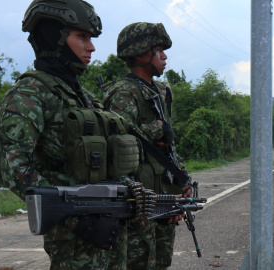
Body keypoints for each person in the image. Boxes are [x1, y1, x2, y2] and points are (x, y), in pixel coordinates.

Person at [0, 1, 128, 268]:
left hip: (109, 229)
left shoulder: (83, 96)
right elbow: (15, 168)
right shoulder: (30, 93)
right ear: (54, 37)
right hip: (74, 239)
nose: (91, 47)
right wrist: (78, 219)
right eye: (82, 37)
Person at [103, 22, 192, 269]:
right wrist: (156, 129)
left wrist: (181, 178)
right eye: (158, 50)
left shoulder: (161, 91)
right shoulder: (123, 93)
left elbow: (167, 147)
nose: (164, 56)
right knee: (138, 262)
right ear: (141, 53)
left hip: (163, 194)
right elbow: (120, 146)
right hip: (139, 200)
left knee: (161, 262)